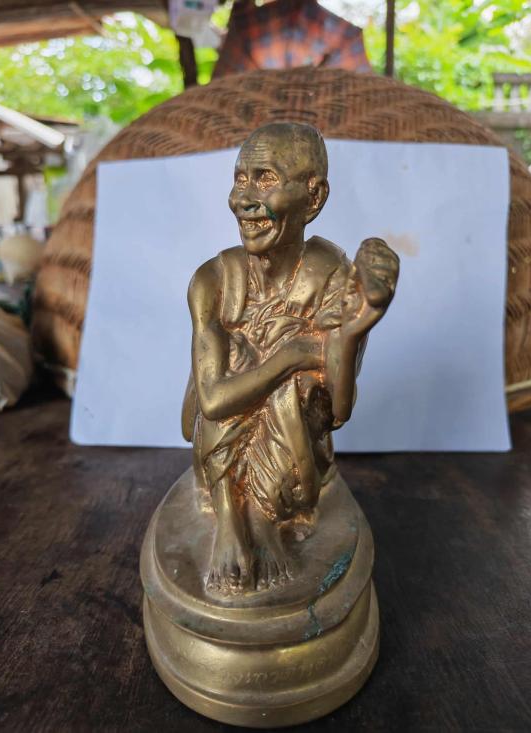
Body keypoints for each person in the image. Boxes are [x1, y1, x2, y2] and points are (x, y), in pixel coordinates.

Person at [182, 122, 399, 594]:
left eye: (265, 179)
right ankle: (230, 515)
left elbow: (338, 410)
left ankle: (266, 516)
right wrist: (293, 354)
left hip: (296, 463)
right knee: (241, 352)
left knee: (297, 384)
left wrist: (354, 331)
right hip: (218, 447)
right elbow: (213, 402)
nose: (243, 199)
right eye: (240, 179)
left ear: (313, 197)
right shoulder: (213, 281)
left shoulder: (331, 275)